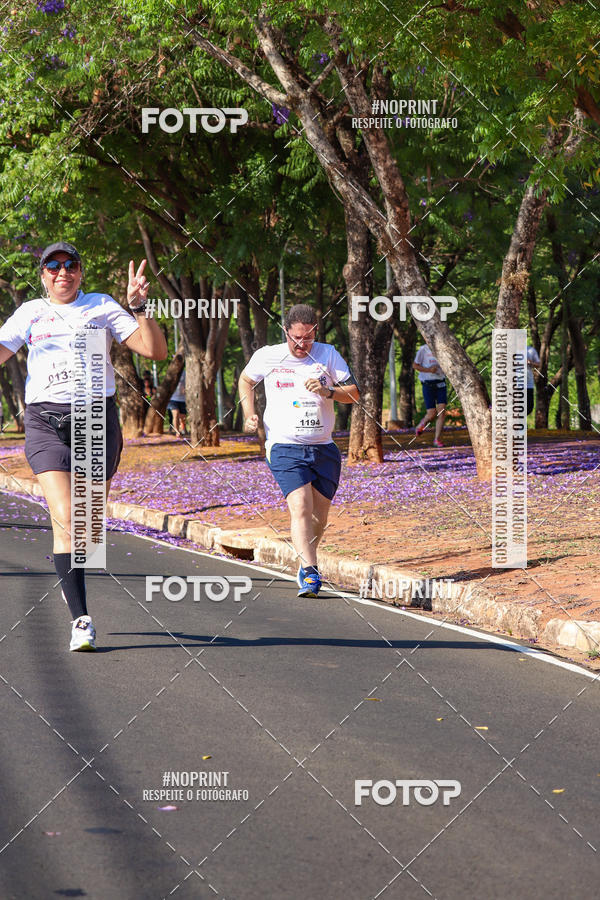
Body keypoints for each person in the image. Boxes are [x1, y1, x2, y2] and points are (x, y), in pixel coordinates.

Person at [0, 241, 167, 650]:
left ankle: (69, 578)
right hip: (45, 420)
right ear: (42, 275)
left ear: (80, 271)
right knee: (67, 518)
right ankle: (81, 620)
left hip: (95, 420)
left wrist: (140, 308)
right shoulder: (30, 314)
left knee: (88, 532)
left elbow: (155, 351)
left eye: (70, 265)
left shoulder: (102, 306)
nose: (62, 273)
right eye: (53, 267)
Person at [239, 304, 359, 598]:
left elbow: (353, 394)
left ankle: (306, 558)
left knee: (319, 517)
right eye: (296, 338)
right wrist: (248, 413)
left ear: (315, 332)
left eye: (307, 338)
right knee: (301, 506)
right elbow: (246, 379)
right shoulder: (268, 355)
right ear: (286, 332)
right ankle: (310, 571)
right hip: (284, 446)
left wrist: (327, 391)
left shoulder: (328, 354)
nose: (302, 344)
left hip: (324, 448)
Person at [413, 343, 447, 447]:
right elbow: (415, 365)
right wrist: (429, 370)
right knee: (432, 413)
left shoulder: (444, 348)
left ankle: (437, 439)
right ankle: (421, 425)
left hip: (441, 384)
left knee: (442, 412)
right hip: (428, 384)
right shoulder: (423, 349)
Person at [168, 367, 187, 436]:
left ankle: (183, 429)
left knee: (183, 418)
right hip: (173, 398)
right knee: (175, 414)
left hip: (182, 398)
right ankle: (177, 431)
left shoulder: (185, 373)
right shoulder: (172, 373)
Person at [527, 344, 540, 417]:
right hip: (515, 384)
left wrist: (530, 363)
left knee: (529, 407)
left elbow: (538, 364)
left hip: (528, 384)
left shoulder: (531, 350)